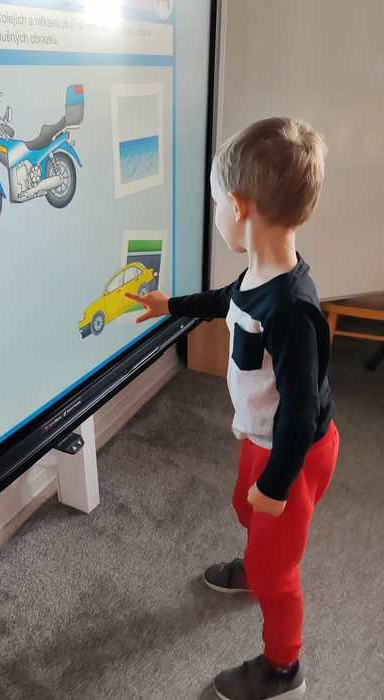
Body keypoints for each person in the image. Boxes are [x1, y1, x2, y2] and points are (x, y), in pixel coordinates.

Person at [126, 117, 340, 700]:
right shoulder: (260, 274)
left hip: (294, 452)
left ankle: (283, 669)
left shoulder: (292, 310)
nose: (216, 211)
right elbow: (228, 301)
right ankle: (257, 558)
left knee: (277, 567)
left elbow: (300, 411)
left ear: (240, 208)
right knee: (244, 508)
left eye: (217, 201)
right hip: (261, 435)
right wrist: (171, 305)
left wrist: (277, 483)